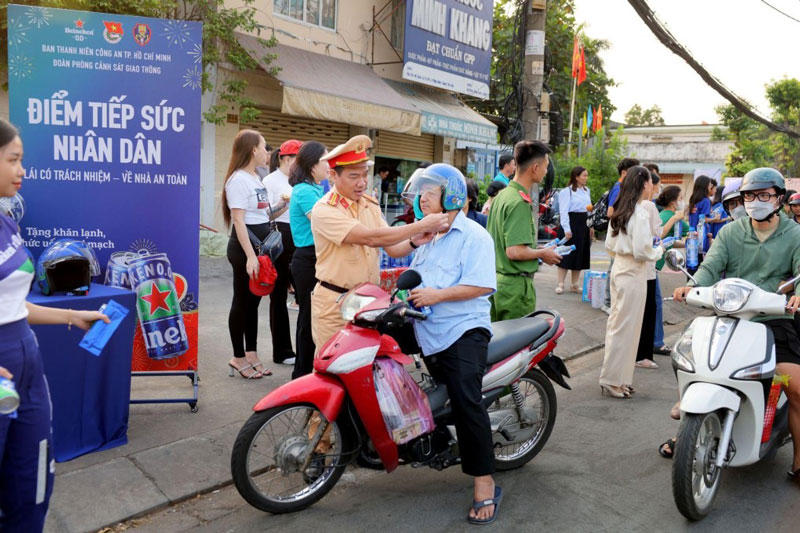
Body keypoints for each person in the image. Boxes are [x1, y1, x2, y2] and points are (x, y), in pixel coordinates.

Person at [0, 119, 109, 531]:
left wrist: (70, 316)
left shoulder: (6, 221)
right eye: (13, 160)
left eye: (21, 160)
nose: (22, 170)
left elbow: (12, 304)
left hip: (27, 366)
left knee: (33, 480)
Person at [673, 168, 800, 479]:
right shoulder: (731, 232)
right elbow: (711, 266)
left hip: (775, 320)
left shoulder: (795, 234)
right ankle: (687, 433)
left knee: (795, 388)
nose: (756, 201)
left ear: (779, 198)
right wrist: (693, 286)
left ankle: (799, 461)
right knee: (693, 359)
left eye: (764, 195)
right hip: (730, 317)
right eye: (750, 196)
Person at [402, 164, 500, 525]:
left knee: (465, 400)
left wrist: (437, 295)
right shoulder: (430, 236)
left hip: (463, 330)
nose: (421, 197)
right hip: (427, 328)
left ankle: (484, 482)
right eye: (421, 191)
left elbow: (482, 286)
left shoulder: (474, 236)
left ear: (453, 195)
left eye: (430, 191)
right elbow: (403, 261)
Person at [309, 135, 449, 349]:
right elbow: (370, 237)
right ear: (333, 176)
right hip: (335, 304)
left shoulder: (369, 204)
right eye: (354, 176)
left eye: (365, 175)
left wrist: (414, 241)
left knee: (365, 366)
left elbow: (391, 248)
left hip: (367, 303)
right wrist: (421, 226)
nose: (362, 182)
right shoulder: (325, 209)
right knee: (334, 368)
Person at [222, 130, 289, 378]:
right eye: (264, 147)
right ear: (253, 150)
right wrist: (250, 256)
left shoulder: (255, 177)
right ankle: (237, 356)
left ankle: (252, 354)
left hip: (262, 250)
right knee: (241, 302)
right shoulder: (238, 179)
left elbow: (263, 215)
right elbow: (239, 222)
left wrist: (283, 206)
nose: (267, 153)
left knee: (253, 302)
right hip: (245, 250)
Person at [599, 166, 663, 398]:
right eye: (650, 181)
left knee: (622, 326)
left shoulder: (620, 210)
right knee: (626, 328)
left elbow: (608, 245)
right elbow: (643, 250)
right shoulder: (639, 212)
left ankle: (620, 379)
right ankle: (612, 379)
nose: (652, 186)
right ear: (644, 183)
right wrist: (659, 250)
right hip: (634, 272)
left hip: (620, 268)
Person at [487, 140, 561, 321]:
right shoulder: (519, 202)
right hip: (514, 289)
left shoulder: (502, 196)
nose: (546, 172)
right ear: (535, 168)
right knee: (516, 346)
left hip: (496, 283)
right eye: (545, 167)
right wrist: (543, 253)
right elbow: (514, 251)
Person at [288, 141, 329, 378]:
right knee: (308, 317)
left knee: (316, 316)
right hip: (307, 258)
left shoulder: (315, 189)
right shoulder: (304, 191)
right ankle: (301, 374)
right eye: (325, 160)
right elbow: (324, 223)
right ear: (312, 164)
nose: (328, 165)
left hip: (318, 257)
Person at [262, 139, 301, 365]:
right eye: (298, 158)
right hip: (279, 234)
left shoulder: (301, 181)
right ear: (285, 159)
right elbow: (265, 215)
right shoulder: (270, 181)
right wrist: (282, 204)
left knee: (307, 294)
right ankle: (283, 351)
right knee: (278, 294)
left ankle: (308, 348)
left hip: (301, 235)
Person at [602, 157, 640, 313]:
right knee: (614, 268)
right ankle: (608, 302)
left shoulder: (622, 187)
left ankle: (610, 301)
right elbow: (610, 212)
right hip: (618, 234)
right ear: (624, 173)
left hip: (619, 233)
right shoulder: (619, 187)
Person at [635, 172, 663, 370]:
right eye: (654, 183)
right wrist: (661, 246)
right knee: (649, 310)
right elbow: (656, 234)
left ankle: (638, 353)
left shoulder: (635, 206)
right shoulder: (648, 206)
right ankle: (643, 354)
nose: (656, 187)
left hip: (638, 268)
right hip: (649, 266)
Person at [555, 166, 592, 294]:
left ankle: (574, 283)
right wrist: (566, 229)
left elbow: (588, 209)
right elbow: (563, 211)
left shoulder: (587, 190)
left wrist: (590, 225)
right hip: (571, 222)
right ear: (576, 177)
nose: (586, 178)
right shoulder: (567, 191)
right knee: (565, 253)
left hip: (583, 223)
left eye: (587, 175)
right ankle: (560, 283)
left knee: (580, 253)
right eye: (584, 175)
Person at [687, 175, 717, 260]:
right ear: (705, 187)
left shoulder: (693, 199)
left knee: (692, 262)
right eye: (709, 185)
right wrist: (714, 219)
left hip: (691, 235)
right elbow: (703, 219)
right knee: (700, 261)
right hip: (701, 237)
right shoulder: (706, 201)